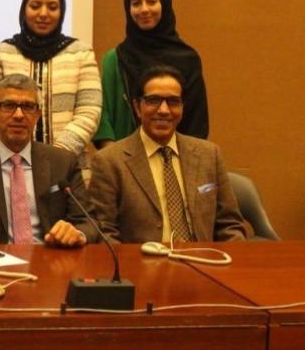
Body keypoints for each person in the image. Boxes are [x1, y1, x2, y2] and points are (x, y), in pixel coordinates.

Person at [88, 65, 248, 244]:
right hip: (141, 260)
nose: (164, 110)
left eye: (173, 101)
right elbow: (104, 232)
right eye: (153, 100)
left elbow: (230, 225)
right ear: (137, 107)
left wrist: (234, 258)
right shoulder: (109, 161)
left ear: (182, 107)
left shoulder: (209, 155)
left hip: (203, 257)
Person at [0, 74, 95, 246]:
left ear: (38, 114)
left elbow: (88, 223)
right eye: (9, 105)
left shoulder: (63, 162)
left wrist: (77, 234)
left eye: (28, 106)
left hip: (51, 257)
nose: (19, 115)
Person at [94, 0, 208, 147]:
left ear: (165, 4)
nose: (144, 9)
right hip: (123, 159)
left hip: (178, 158)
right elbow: (103, 118)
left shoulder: (188, 60)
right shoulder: (115, 59)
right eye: (136, 3)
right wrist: (115, 159)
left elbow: (197, 122)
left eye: (151, 1)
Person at [0, 0, 101, 156]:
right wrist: (18, 152)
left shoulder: (81, 52)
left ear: (62, 12)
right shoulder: (4, 52)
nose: (43, 13)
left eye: (52, 7)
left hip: (68, 163)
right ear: (24, 9)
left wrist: (59, 154)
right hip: (12, 162)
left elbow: (90, 110)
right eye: (35, 6)